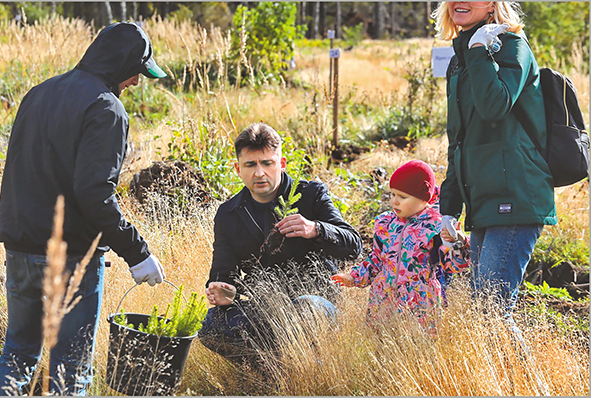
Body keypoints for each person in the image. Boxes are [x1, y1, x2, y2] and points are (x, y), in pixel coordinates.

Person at [0, 22, 168, 395]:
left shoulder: (38, 93)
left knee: (18, 353)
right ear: (121, 63)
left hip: (20, 248)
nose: (137, 82)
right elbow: (94, 194)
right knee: (70, 372)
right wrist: (138, 254)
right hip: (71, 255)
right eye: (136, 72)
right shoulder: (106, 109)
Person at [432, 2, 556, 330]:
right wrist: (449, 207)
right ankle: (505, 383)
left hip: (516, 193)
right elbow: (458, 141)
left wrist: (477, 51)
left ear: (491, 4)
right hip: (483, 198)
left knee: (492, 312)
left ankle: (534, 384)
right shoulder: (460, 61)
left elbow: (494, 106)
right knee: (484, 310)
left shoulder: (513, 47)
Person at [199, 122, 362, 368]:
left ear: (282, 164)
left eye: (267, 163)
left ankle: (307, 373)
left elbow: (354, 245)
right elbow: (223, 270)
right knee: (211, 325)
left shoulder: (310, 194)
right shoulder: (228, 214)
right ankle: (270, 373)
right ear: (238, 169)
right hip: (264, 307)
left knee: (304, 310)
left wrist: (315, 229)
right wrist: (222, 290)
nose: (259, 173)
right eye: (250, 165)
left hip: (316, 303)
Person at [332, 160, 470, 331]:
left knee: (416, 349)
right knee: (381, 347)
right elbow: (376, 259)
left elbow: (455, 265)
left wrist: (459, 241)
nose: (395, 201)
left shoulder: (435, 227)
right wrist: (354, 277)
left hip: (420, 303)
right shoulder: (386, 223)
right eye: (392, 194)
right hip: (383, 301)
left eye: (403, 197)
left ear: (423, 197)